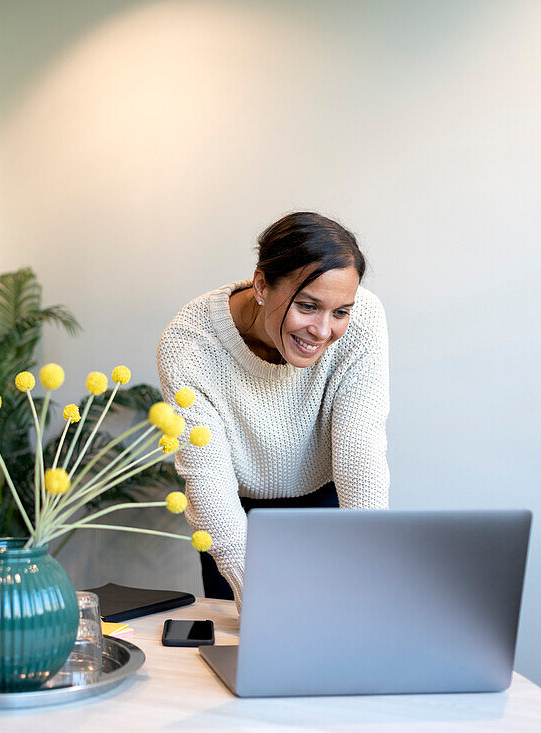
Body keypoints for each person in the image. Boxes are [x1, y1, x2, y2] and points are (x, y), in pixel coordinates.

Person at [157, 212, 389, 608]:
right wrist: (262, 600)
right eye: (307, 306)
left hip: (326, 501)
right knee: (251, 650)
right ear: (262, 284)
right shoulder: (190, 346)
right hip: (236, 518)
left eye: (339, 312)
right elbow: (208, 481)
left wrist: (370, 568)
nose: (321, 330)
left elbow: (360, 452)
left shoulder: (364, 318)